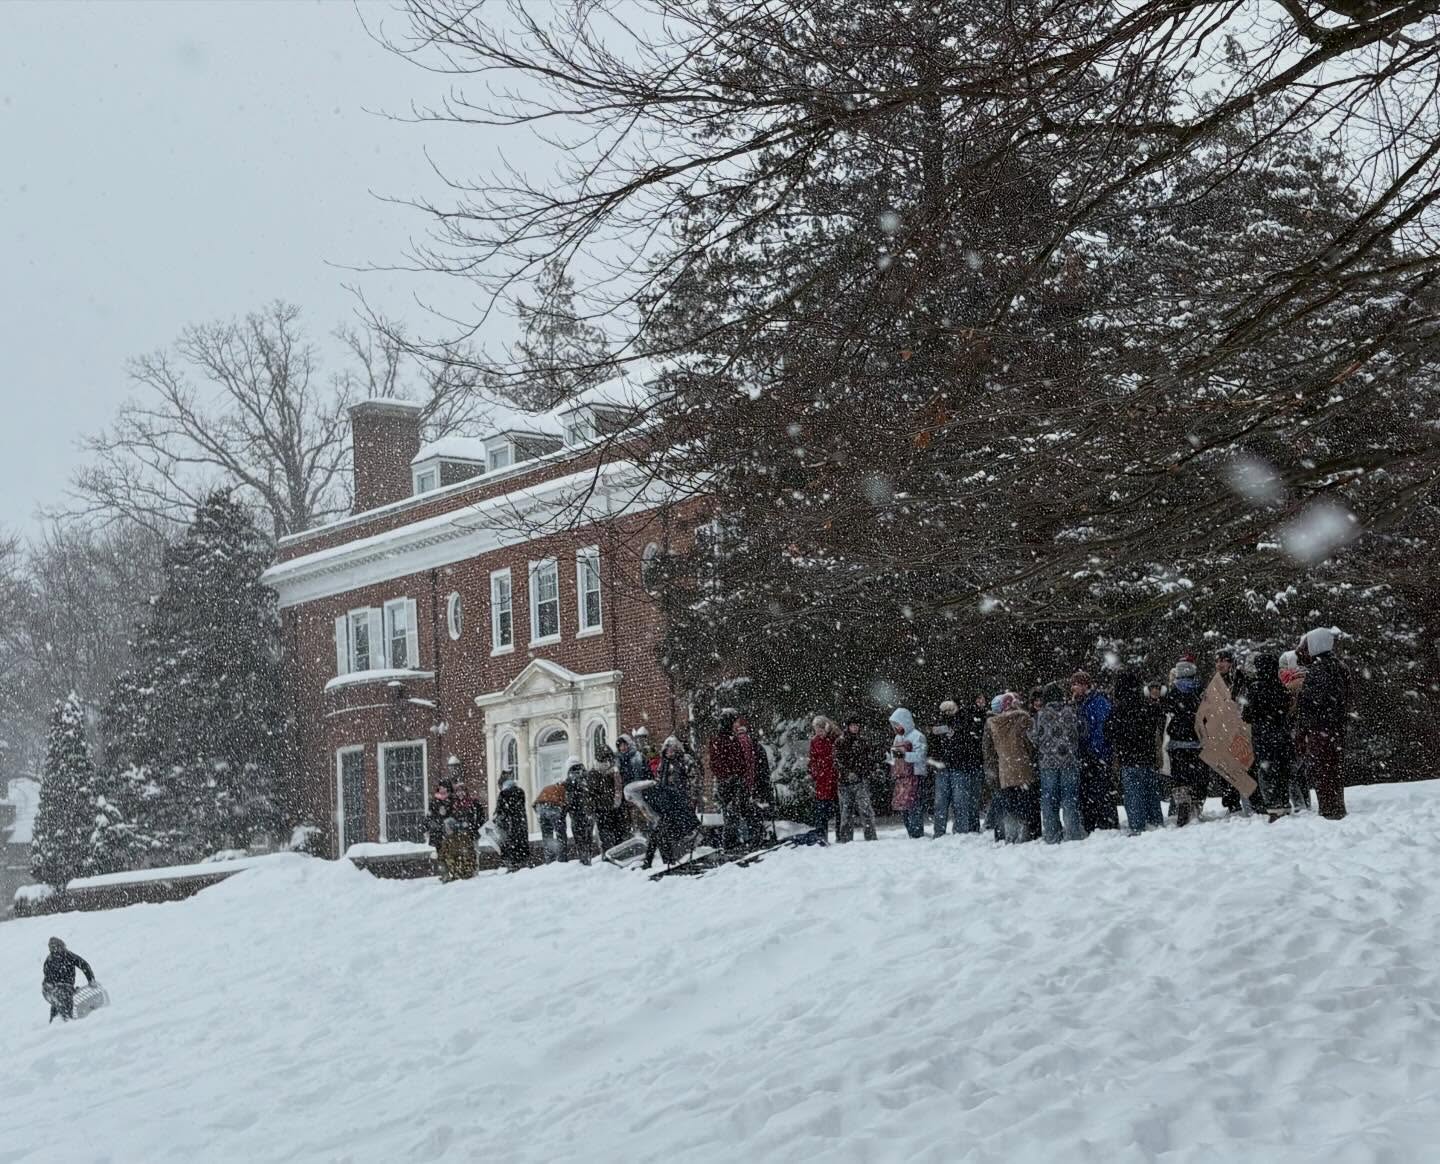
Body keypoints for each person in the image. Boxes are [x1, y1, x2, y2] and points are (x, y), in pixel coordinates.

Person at [1295, 627, 1350, 820]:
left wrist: (1302, 732)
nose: (1301, 651)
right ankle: (1335, 808)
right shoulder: (1339, 667)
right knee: (1333, 771)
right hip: (1335, 730)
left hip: (1321, 731)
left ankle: (1329, 811)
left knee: (1324, 772)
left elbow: (1310, 706)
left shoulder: (1319, 670)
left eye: (1305, 645)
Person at [1105, 670, 1166, 834]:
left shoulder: (1118, 709)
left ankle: (1137, 827)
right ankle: (1156, 823)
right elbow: (1156, 725)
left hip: (1129, 760)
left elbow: (1108, 732)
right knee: (1152, 793)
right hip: (1148, 758)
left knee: (1133, 796)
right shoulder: (1147, 705)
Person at [1243, 654, 1297, 818]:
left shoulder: (1254, 688)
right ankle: (1284, 801)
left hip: (1262, 736)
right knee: (1282, 768)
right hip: (1281, 734)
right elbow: (1288, 709)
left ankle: (1273, 805)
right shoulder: (1281, 687)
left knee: (1267, 771)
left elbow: (1247, 715)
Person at [1029, 683, 1085, 843]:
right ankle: (1073, 833)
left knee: (1049, 799)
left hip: (1047, 763)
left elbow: (1033, 737)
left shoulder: (1040, 715)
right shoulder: (1072, 712)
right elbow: (1082, 731)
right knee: (1069, 798)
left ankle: (1052, 835)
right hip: (1069, 762)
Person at [982, 692, 1036, 843]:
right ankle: (1026, 837)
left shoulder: (993, 723)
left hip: (1004, 770)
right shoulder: (1023, 719)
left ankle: (1007, 837)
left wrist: (995, 767)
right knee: (1025, 806)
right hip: (1023, 768)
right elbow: (1030, 744)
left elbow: (988, 750)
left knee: (1008, 807)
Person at [1071, 671, 1119, 831]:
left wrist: (1095, 750)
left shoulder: (1098, 702)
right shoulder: (1078, 703)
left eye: (1076, 684)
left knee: (1102, 791)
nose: (1074, 688)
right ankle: (1090, 823)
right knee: (1087, 792)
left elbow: (1102, 728)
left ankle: (1107, 823)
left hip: (1098, 755)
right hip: (1084, 754)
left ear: (1085, 685)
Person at [1162, 658, 1207, 826]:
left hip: (1177, 741)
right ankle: (1196, 805)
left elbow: (1167, 709)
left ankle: (1182, 805)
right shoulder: (1201, 690)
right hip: (1197, 740)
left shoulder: (1174, 691)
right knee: (1198, 776)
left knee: (1180, 777)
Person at [931, 699, 983, 835]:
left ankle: (959, 832)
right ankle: (940, 832)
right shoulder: (940, 723)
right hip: (945, 766)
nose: (947, 713)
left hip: (958, 766)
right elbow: (933, 741)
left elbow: (967, 740)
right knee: (943, 803)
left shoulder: (964, 721)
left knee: (959, 801)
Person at [835, 715, 879, 842]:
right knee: (846, 811)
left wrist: (865, 772)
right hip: (845, 782)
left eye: (857, 725)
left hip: (861, 780)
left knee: (866, 810)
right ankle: (846, 838)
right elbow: (837, 761)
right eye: (852, 725)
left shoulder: (863, 741)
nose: (855, 728)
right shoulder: (840, 741)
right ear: (848, 727)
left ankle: (870, 836)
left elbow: (868, 760)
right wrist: (847, 773)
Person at [888, 708, 928, 838]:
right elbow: (894, 757)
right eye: (894, 725)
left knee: (914, 806)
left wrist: (904, 755)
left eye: (898, 724)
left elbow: (921, 756)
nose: (896, 727)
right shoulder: (897, 738)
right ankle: (910, 831)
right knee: (903, 806)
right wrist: (892, 762)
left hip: (915, 775)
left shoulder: (918, 736)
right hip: (902, 776)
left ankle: (917, 833)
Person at [43, 937, 95, 1023]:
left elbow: (84, 965)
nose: (58, 950)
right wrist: (54, 988)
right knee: (60, 1001)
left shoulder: (68, 955)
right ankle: (60, 1021)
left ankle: (63, 1020)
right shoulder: (49, 961)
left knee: (63, 1000)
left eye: (59, 947)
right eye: (54, 948)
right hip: (52, 988)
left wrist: (91, 980)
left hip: (66, 986)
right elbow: (48, 979)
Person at [808, 716, 840, 841]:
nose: (818, 732)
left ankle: (841, 834)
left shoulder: (834, 739)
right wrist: (815, 773)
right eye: (816, 730)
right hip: (822, 780)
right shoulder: (814, 741)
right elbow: (812, 759)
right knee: (822, 809)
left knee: (839, 809)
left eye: (820, 729)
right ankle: (822, 836)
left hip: (835, 778)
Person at [534, 769, 573, 863]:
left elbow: (536, 803)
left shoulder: (549, 787)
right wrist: (562, 819)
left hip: (540, 808)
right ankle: (562, 858)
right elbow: (565, 806)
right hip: (553, 808)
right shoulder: (563, 790)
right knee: (561, 834)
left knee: (547, 835)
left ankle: (549, 859)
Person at [494, 770, 530, 870]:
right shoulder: (520, 791)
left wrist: (497, 817)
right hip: (520, 822)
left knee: (509, 843)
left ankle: (512, 865)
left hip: (508, 824)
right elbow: (521, 806)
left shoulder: (503, 794)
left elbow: (499, 811)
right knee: (521, 842)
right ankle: (523, 862)